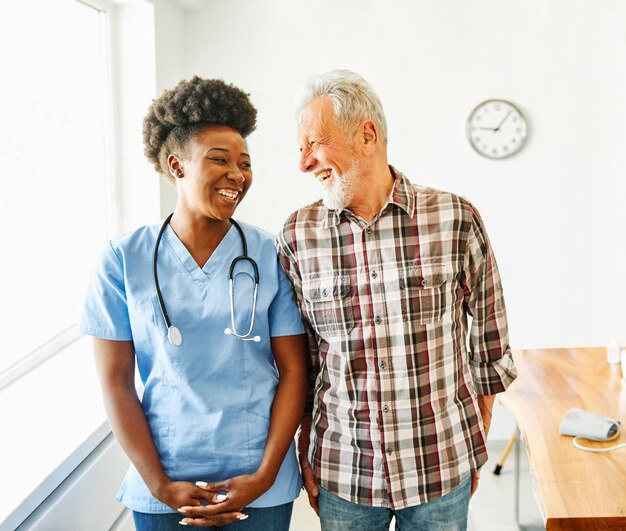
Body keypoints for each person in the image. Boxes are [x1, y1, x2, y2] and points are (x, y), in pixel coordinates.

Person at [276, 70, 517, 530]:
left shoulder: (455, 218)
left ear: (366, 134)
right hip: (344, 474)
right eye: (300, 148)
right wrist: (307, 447)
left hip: (441, 469)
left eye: (313, 143)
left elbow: (490, 340)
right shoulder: (296, 235)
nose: (304, 163)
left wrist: (473, 442)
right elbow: (302, 362)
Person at [81, 76, 308, 530]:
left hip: (257, 481)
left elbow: (295, 371)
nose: (237, 175)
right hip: (165, 479)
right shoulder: (123, 259)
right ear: (176, 165)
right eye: (219, 160)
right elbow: (117, 383)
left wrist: (263, 477)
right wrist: (160, 485)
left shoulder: (270, 253)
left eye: (245, 163)